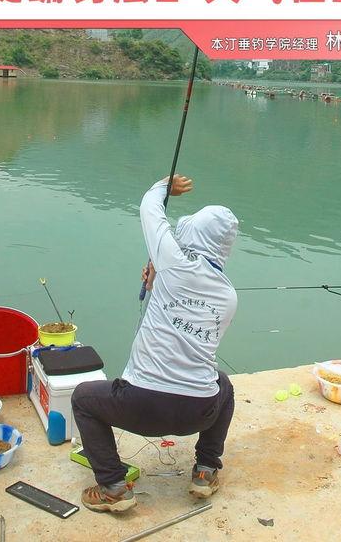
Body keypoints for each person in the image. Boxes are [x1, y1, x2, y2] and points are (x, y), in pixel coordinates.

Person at [71, 174, 239, 513]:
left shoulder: (173, 263)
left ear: (193, 235)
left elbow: (150, 209)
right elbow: (186, 315)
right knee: (224, 385)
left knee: (83, 399)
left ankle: (113, 486)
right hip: (199, 411)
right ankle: (206, 470)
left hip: (142, 407)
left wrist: (163, 187)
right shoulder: (228, 296)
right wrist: (157, 281)